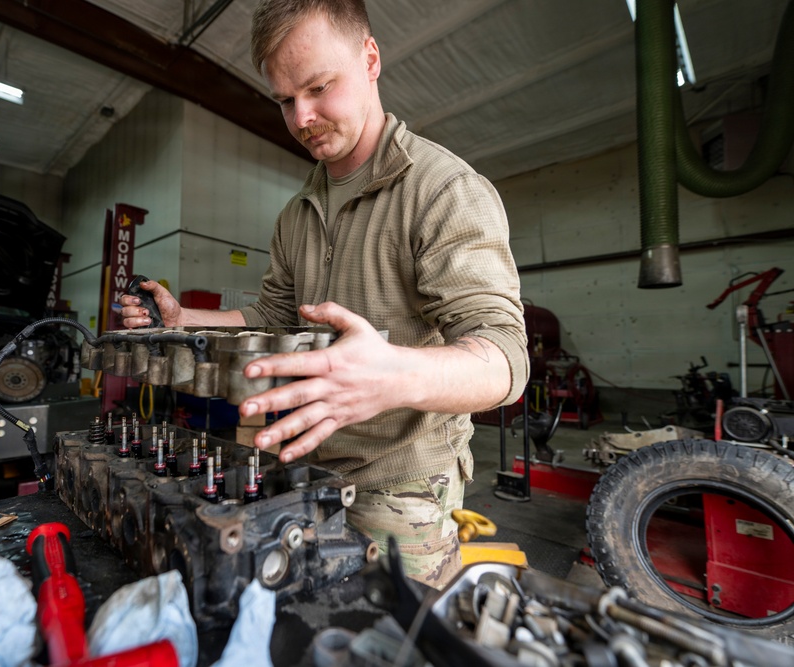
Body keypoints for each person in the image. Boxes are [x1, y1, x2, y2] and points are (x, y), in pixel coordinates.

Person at [119, 0, 528, 588]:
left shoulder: (444, 191)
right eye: (286, 99)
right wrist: (188, 317)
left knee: (389, 639)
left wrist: (392, 377)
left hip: (400, 492)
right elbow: (272, 315)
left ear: (370, 60)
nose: (302, 117)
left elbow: (506, 360)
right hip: (299, 472)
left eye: (318, 87)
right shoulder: (298, 213)